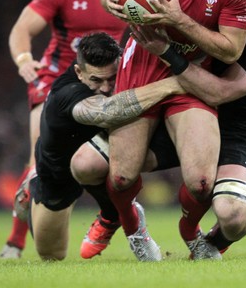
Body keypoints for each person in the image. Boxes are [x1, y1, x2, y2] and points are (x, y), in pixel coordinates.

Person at [99, 0, 246, 260]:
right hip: (140, 66)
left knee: (201, 184)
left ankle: (190, 232)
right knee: (121, 178)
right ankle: (134, 228)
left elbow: (231, 51)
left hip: (189, 75)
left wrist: (178, 21)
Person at [126, 0, 246, 256]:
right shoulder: (226, 2)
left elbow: (217, 92)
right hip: (180, 112)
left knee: (235, 216)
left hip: (232, 129)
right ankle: (119, 218)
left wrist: (166, 53)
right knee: (100, 164)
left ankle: (210, 244)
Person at [0, 0, 130, 259]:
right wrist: (25, 59)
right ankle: (15, 242)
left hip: (105, 84)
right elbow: (20, 30)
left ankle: (122, 220)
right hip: (58, 82)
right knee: (38, 156)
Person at [29, 31, 185, 261]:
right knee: (51, 255)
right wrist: (173, 83)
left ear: (120, 63)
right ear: (79, 72)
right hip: (58, 172)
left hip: (95, 158)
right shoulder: (66, 92)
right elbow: (108, 112)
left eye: (111, 78)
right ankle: (27, 189)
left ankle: (115, 215)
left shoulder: (130, 70)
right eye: (96, 80)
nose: (104, 87)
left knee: (90, 164)